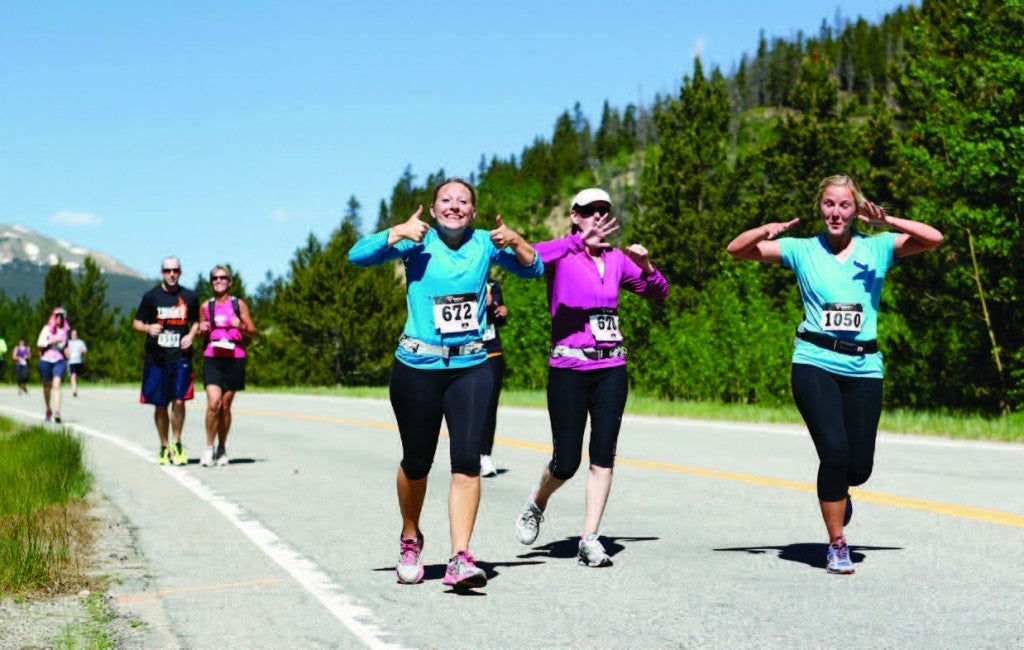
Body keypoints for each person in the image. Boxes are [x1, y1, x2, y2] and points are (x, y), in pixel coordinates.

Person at [725, 174, 943, 575]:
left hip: (864, 366)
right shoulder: (802, 250)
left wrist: (888, 223)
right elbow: (737, 249)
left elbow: (933, 238)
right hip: (814, 362)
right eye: (829, 204)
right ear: (819, 208)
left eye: (845, 205)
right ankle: (837, 544)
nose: (836, 213)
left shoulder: (877, 249)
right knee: (835, 452)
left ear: (857, 209)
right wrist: (765, 230)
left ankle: (840, 491)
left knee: (858, 468)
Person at [348, 178, 543, 590]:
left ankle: (460, 556)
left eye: (463, 201)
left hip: (472, 365)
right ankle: (410, 535)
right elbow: (357, 256)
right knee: (417, 462)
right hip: (417, 365)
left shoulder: (485, 246)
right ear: (434, 210)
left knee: (467, 461)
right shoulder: (416, 242)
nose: (455, 206)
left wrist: (517, 240)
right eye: (446, 200)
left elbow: (534, 268)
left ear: (473, 212)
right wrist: (396, 232)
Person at [514, 188, 669, 568]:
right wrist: (573, 242)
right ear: (574, 215)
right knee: (566, 461)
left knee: (603, 456)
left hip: (611, 368)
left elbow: (658, 292)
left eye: (604, 210)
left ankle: (589, 538)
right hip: (569, 368)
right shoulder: (561, 254)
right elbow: (527, 259)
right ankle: (538, 501)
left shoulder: (617, 259)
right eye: (589, 211)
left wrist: (646, 266)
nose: (597, 216)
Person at [132, 257, 200, 466]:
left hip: (180, 357)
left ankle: (177, 442)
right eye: (167, 270)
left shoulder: (189, 296)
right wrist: (147, 328)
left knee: (179, 400)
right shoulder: (151, 296)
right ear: (162, 272)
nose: (172, 274)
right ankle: (164, 445)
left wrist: (191, 335)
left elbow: (197, 321)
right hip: (157, 358)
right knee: (160, 404)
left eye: (175, 270)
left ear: (180, 272)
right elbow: (136, 323)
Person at [197, 265, 256, 468]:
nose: (219, 281)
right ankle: (208, 448)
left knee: (225, 406)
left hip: (234, 357)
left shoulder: (238, 304)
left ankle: (222, 447)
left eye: (223, 277)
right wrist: (200, 330)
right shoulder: (207, 306)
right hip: (213, 357)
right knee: (213, 403)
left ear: (229, 281)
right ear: (211, 282)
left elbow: (253, 331)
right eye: (215, 278)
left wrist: (241, 325)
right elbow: (199, 330)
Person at [479, 275, 508, 478]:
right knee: (466, 406)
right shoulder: (457, 278)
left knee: (489, 406)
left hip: (492, 350)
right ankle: (468, 453)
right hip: (465, 352)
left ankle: (485, 457)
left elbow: (499, 316)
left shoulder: (492, 284)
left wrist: (502, 312)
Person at [37, 307, 70, 422]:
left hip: (59, 361)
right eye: (58, 316)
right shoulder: (46, 329)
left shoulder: (65, 331)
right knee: (47, 386)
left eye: (62, 316)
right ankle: (48, 409)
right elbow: (40, 343)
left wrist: (67, 351)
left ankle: (57, 412)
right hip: (46, 360)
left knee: (56, 385)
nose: (60, 318)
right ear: (54, 317)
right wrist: (53, 341)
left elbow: (64, 346)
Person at [65, 330, 88, 397]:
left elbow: (85, 350)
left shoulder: (80, 342)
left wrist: (82, 351)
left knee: (76, 376)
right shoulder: (68, 342)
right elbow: (65, 351)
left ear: (77, 335)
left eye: (75, 334)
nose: (74, 336)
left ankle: (75, 387)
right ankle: (74, 391)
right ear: (71, 335)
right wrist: (67, 354)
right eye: (73, 334)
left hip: (79, 361)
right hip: (71, 361)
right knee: (73, 375)